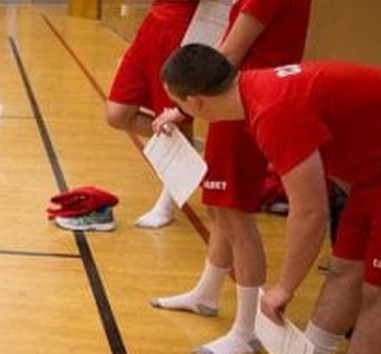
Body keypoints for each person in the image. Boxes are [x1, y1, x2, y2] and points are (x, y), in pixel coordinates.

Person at [160, 44, 379, 354]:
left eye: (178, 103)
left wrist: (284, 288)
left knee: (376, 295)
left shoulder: (273, 111)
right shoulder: (256, 89)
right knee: (346, 270)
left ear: (196, 101)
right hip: (371, 180)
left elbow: (311, 213)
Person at [147, 0, 315, 352]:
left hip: (241, 102)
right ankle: (207, 293)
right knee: (221, 206)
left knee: (236, 213)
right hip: (244, 97)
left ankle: (247, 331)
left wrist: (185, 103)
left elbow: (230, 53)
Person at [100, 0, 244, 230]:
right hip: (152, 30)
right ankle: (189, 149)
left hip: (190, 32)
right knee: (117, 113)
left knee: (177, 119)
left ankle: (167, 204)